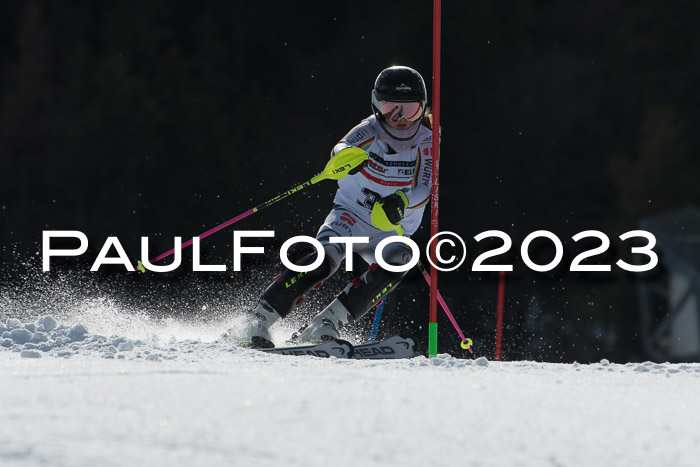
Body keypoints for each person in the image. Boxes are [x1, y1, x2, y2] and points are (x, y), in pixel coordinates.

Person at [237, 65, 437, 348]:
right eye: (392, 108)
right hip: (351, 215)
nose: (400, 118)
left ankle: (325, 324)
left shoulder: (427, 142)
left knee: (401, 258)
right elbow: (340, 148)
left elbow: (426, 188)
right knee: (324, 259)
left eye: (411, 109)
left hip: (389, 228)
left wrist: (402, 201)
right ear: (377, 105)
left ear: (423, 107)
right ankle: (257, 319)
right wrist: (348, 157)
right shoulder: (371, 128)